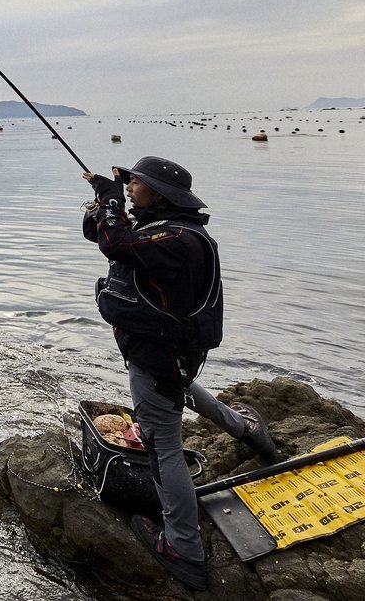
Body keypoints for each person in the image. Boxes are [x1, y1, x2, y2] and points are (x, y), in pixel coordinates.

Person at [82, 156, 276, 591]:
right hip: (165, 354)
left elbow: (116, 246)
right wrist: (104, 200)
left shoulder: (178, 240)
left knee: (162, 446)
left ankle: (184, 549)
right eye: (128, 181)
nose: (129, 186)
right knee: (178, 389)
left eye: (136, 182)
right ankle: (245, 428)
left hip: (158, 355)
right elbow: (99, 234)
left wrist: (112, 200)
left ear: (160, 192)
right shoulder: (164, 229)